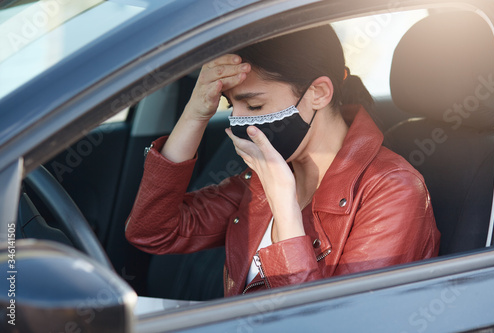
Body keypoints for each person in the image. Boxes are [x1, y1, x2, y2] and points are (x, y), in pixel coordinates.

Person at [125, 25, 440, 296]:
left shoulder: (393, 192)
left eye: (254, 105)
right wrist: (196, 113)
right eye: (230, 106)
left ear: (318, 93)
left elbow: (331, 323)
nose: (238, 121)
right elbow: (152, 230)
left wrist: (286, 212)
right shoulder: (262, 181)